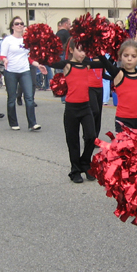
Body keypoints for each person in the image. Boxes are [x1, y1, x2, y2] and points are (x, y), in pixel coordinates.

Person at [42, 41, 101, 183]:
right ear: (72, 50)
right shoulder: (67, 65)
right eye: (79, 50)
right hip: (71, 109)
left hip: (86, 107)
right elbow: (49, 61)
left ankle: (85, 163)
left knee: (91, 136)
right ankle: (75, 170)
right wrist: (40, 57)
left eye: (84, 51)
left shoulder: (87, 64)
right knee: (73, 141)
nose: (82, 54)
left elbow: (103, 63)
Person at [0, 16, 40, 131]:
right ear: (12, 26)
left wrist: (38, 65)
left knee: (29, 97)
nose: (20, 26)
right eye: (17, 24)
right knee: (11, 98)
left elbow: (29, 57)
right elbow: (2, 55)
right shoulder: (8, 40)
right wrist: (5, 60)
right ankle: (13, 122)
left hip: (24, 70)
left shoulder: (27, 39)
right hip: (11, 71)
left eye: (21, 23)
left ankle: (32, 123)